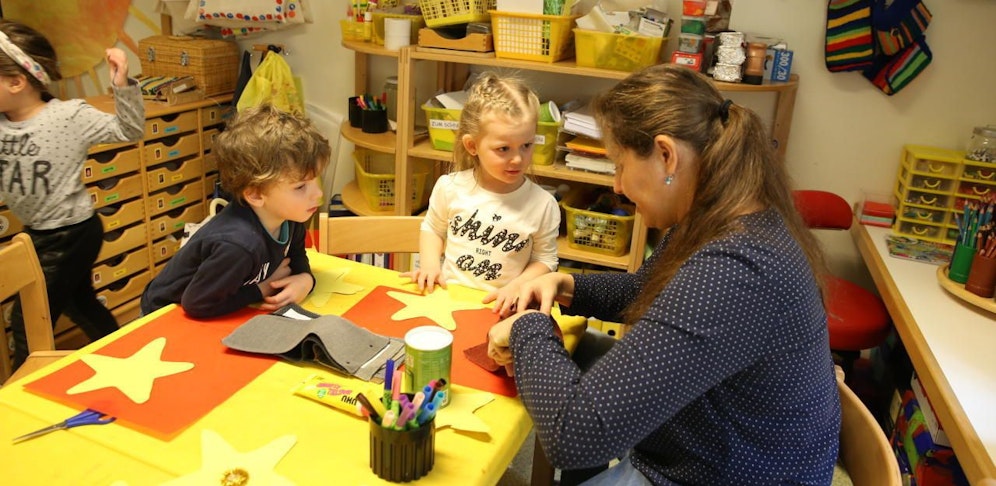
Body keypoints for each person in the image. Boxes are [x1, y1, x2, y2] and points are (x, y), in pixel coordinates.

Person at [487, 64, 841, 485]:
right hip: (716, 450)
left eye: (619, 165)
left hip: (721, 474)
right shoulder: (721, 216)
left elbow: (577, 435)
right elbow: (645, 290)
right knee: (587, 354)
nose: (616, 186)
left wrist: (529, 327)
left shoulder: (737, 271)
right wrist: (566, 285)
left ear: (666, 155)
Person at [0, 20, 144, 369]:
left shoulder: (68, 117)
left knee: (28, 321)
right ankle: (120, 357)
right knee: (80, 303)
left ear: (18, 82)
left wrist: (122, 84)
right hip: (36, 233)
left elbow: (130, 129)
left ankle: (19, 395)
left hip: (71, 232)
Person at [140, 104, 329, 318]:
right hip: (165, 315)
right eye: (300, 187)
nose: (318, 193)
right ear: (256, 195)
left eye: (316, 180)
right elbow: (197, 303)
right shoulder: (238, 245)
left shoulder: (289, 217)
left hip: (219, 305)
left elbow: (296, 256)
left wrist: (306, 279)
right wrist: (261, 289)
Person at [403, 72, 560, 316]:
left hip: (503, 308)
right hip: (447, 301)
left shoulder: (544, 204)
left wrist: (517, 285)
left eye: (526, 145)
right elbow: (433, 229)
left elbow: (546, 260)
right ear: (472, 146)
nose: (518, 159)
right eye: (503, 149)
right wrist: (430, 266)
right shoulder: (449, 187)